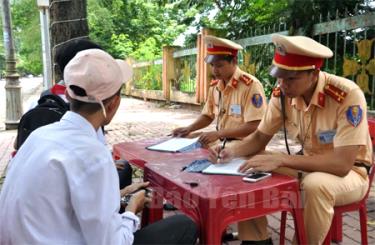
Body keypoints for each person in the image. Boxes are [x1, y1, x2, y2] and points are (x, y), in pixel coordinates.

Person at [0, 49, 197, 244]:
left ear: (68, 95)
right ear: (113, 104)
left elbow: (61, 204)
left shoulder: (39, 136)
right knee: (184, 225)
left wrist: (120, 194)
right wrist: (131, 210)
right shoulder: (93, 154)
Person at [208, 34, 372, 244]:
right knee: (248, 163)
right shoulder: (282, 94)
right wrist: (231, 151)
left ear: (314, 74)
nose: (282, 84)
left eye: (290, 78)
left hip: (351, 173)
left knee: (315, 185)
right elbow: (259, 137)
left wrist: (282, 159)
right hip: (307, 164)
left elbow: (342, 164)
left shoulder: (346, 94)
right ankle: (257, 240)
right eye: (279, 76)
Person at [172, 35, 267, 147]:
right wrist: (189, 129)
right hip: (223, 142)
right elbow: (208, 116)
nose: (214, 70)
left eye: (219, 65)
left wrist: (219, 134)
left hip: (245, 145)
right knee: (185, 141)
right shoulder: (215, 85)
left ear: (234, 61)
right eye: (212, 65)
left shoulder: (250, 86)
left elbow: (255, 125)